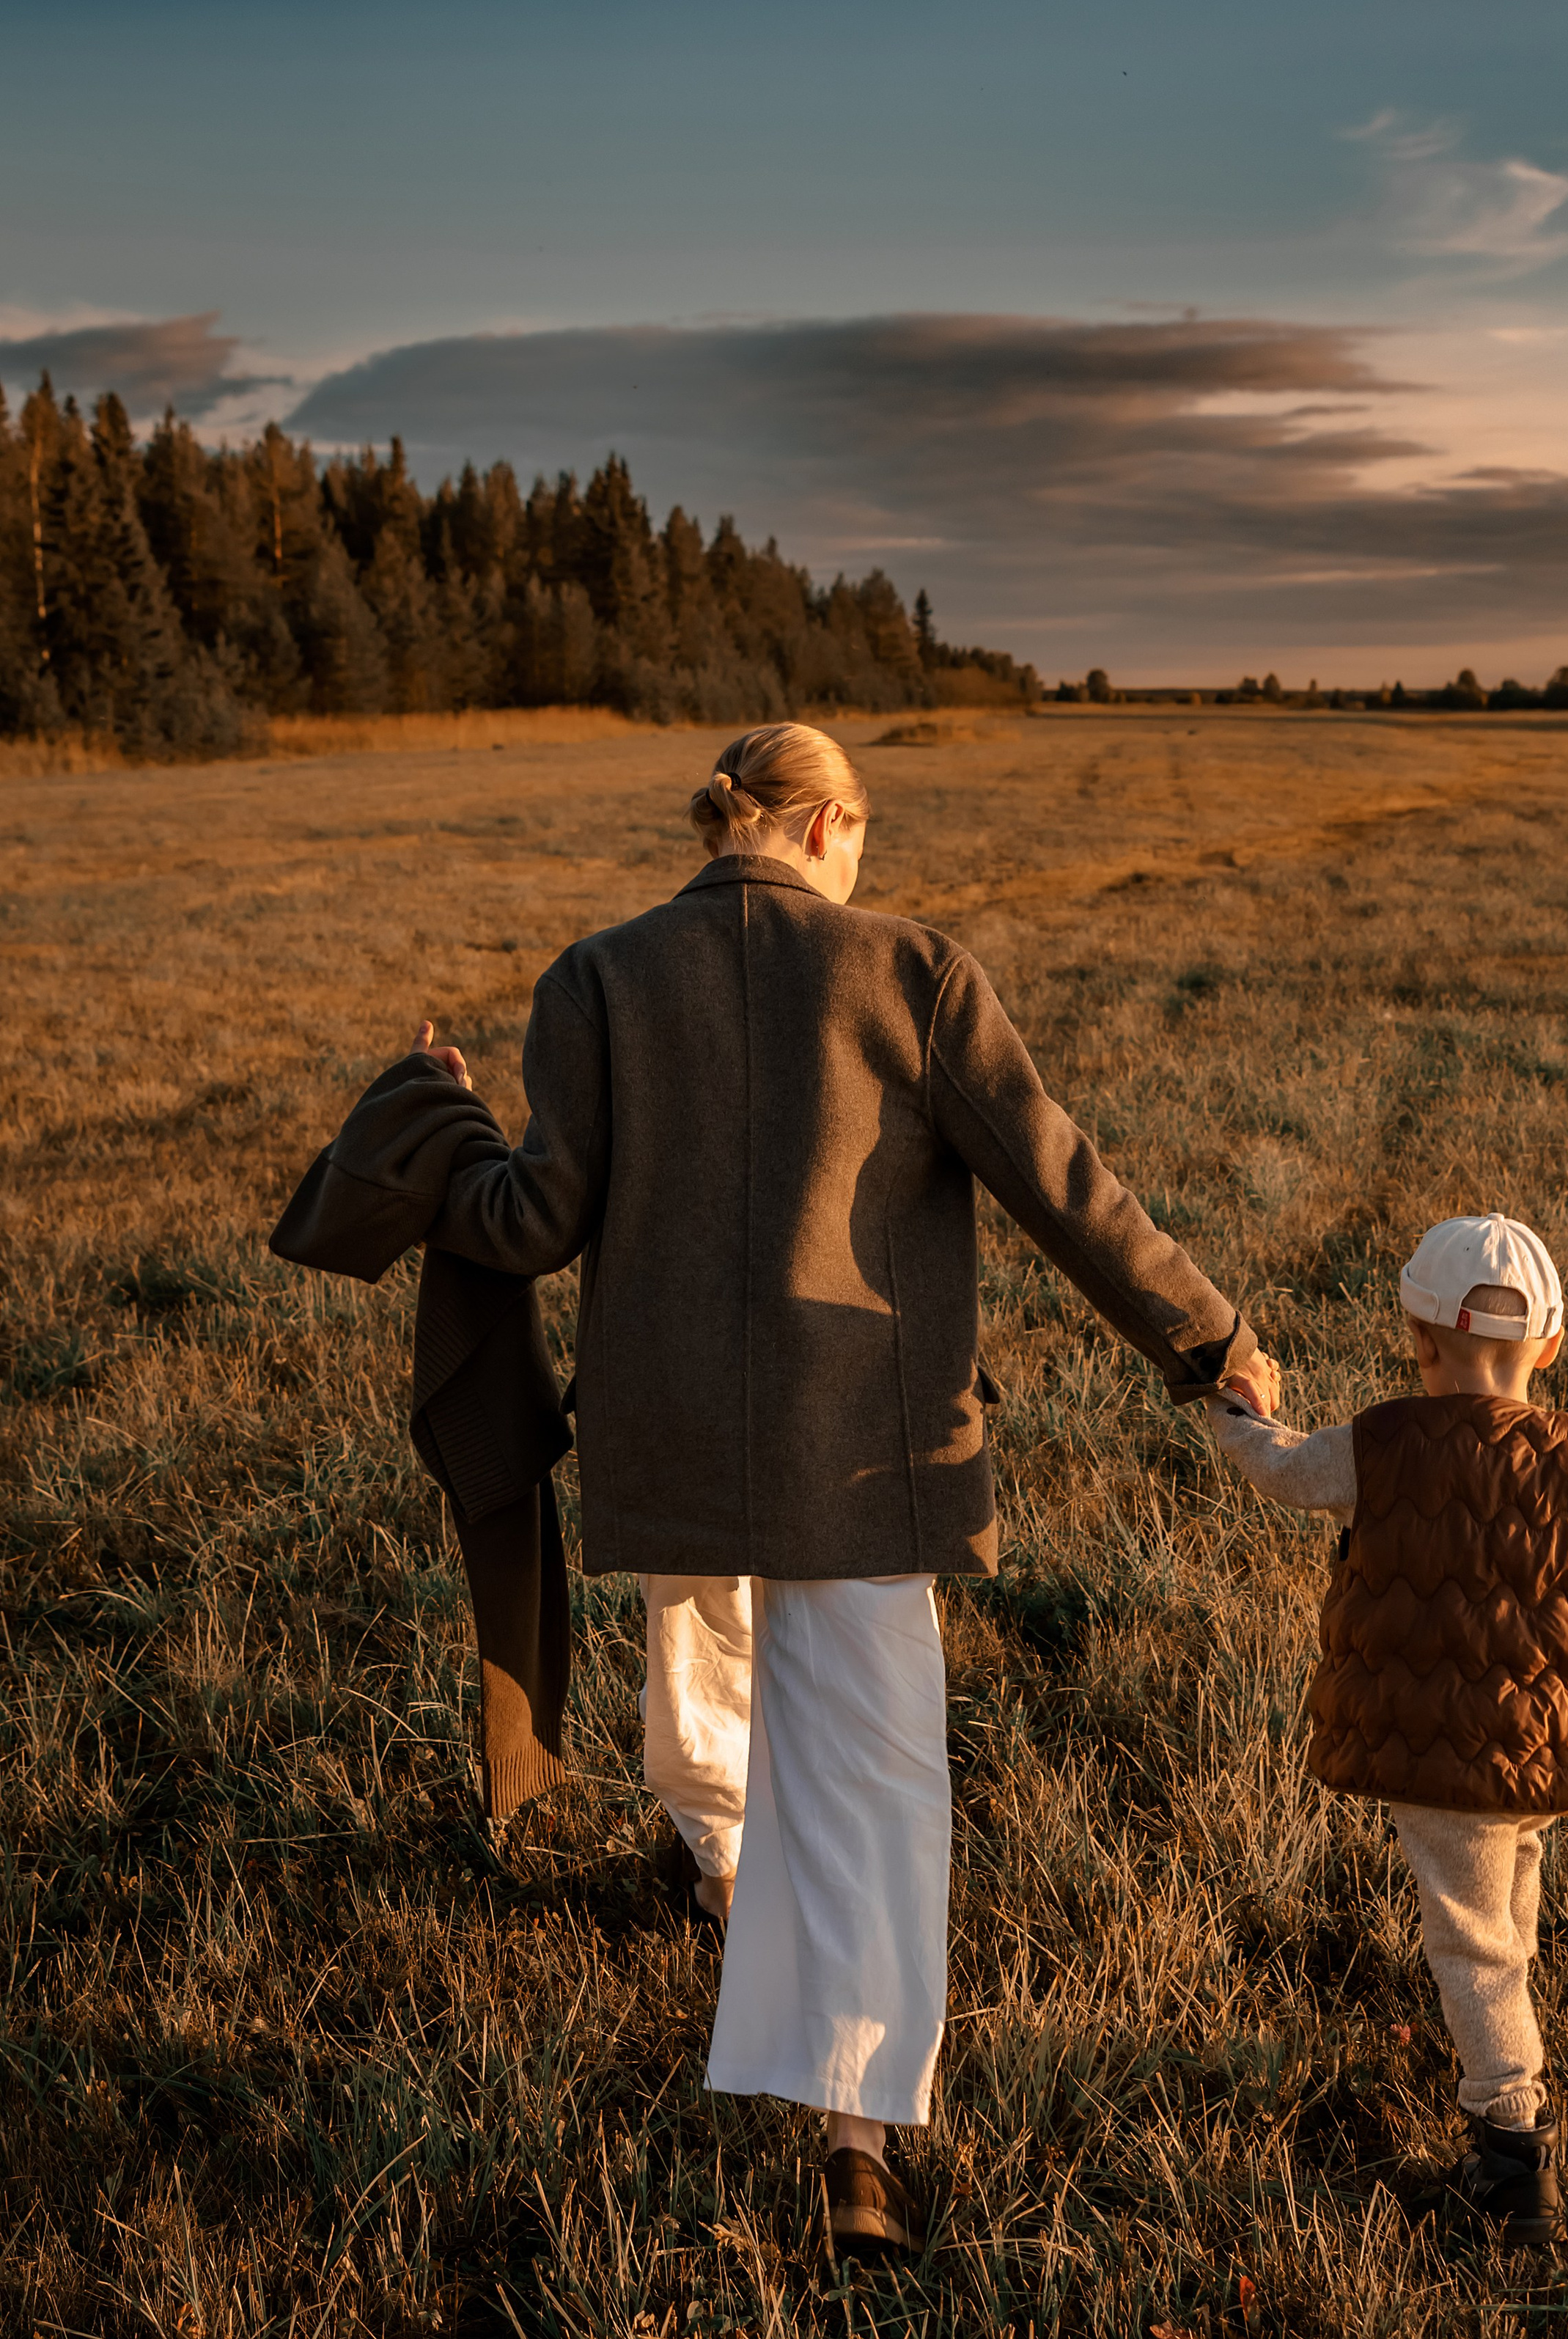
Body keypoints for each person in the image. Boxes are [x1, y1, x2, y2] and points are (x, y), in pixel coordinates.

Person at [411, 721, 1269, 2257]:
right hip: (866, 1455)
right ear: (828, 828)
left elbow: (527, 1220)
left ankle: (715, 1867)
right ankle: (854, 2145)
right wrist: (1203, 1334)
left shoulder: (595, 979)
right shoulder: (910, 970)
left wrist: (438, 1122)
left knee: (714, 1682)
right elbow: (1058, 1177)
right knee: (872, 1790)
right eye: (860, 835)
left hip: (668, 1444)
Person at [1207, 1213, 1568, 2246]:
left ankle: (1511, 2148)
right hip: (1548, 1749)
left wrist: (1238, 1414)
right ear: (1552, 1348)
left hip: (1441, 1757)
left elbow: (1281, 1470)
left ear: (1418, 1338)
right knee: (1508, 1904)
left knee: (1473, 1944)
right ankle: (1512, 2097)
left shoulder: (1384, 1441)